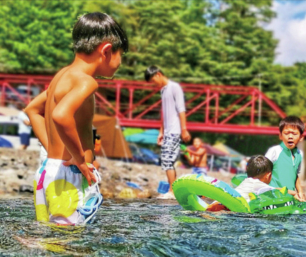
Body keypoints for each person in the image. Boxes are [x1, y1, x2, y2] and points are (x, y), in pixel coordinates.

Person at [25, 12, 127, 225]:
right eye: (121, 54)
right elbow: (61, 116)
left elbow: (33, 110)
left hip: (47, 171)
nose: (120, 63)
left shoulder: (61, 76)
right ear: (107, 50)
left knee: (47, 243)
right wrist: (79, 160)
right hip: (68, 178)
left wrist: (55, 150)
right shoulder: (86, 82)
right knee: (68, 246)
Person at [145, 65, 191, 199]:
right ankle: (173, 190)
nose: (154, 85)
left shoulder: (174, 87)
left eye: (153, 81)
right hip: (167, 131)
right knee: (166, 161)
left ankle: (172, 191)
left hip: (175, 130)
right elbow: (164, 113)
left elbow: (181, 109)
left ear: (158, 74)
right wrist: (161, 132)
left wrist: (184, 129)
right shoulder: (163, 90)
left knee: (167, 160)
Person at [265, 116, 305, 201]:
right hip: (272, 196)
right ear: (280, 136)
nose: (290, 136)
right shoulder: (274, 151)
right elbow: (262, 171)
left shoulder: (299, 154)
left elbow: (295, 175)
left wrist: (300, 192)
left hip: (289, 198)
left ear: (301, 137)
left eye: (294, 134)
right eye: (286, 133)